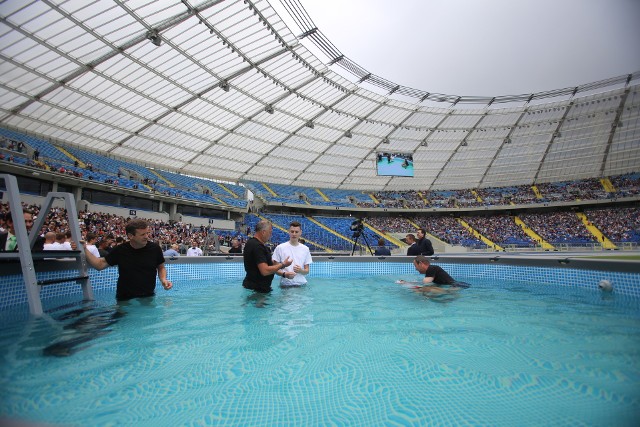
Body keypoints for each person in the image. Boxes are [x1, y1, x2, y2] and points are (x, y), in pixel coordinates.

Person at [82, 219, 172, 301]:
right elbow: (100, 265)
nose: (147, 237)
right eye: (142, 234)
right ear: (130, 236)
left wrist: (163, 279)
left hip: (148, 296)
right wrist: (84, 249)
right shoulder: (120, 250)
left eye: (147, 233)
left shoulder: (155, 249)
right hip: (124, 297)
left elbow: (161, 267)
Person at [242, 220, 292, 293]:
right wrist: (283, 264)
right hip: (258, 289)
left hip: (251, 286)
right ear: (263, 232)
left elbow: (262, 265)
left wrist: (283, 273)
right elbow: (265, 271)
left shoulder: (251, 243)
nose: (270, 235)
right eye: (270, 232)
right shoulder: (258, 247)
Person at [397, 255, 470, 293]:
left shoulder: (431, 268)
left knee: (422, 290)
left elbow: (425, 284)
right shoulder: (432, 269)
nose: (416, 269)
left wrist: (408, 285)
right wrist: (407, 282)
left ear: (421, 264)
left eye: (415, 266)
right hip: (457, 285)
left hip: (457, 286)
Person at [272, 221, 312, 287]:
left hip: (301, 284)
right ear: (289, 232)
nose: (294, 234)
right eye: (292, 231)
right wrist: (285, 274)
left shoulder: (305, 249)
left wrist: (300, 270)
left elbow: (307, 271)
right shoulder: (280, 248)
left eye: (296, 232)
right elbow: (275, 269)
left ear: (300, 233)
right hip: (286, 285)